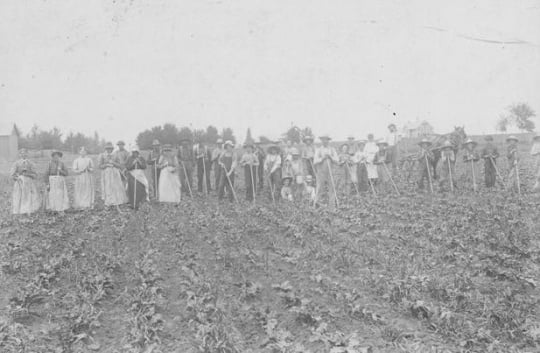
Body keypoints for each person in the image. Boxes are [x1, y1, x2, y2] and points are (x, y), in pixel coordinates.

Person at [11, 148, 41, 215]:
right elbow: (13, 174)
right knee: (19, 195)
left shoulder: (31, 163)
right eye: (21, 153)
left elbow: (35, 174)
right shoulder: (16, 163)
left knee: (28, 195)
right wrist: (17, 178)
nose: (23, 154)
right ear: (19, 154)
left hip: (29, 181)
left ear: (27, 154)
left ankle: (28, 210)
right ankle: (19, 210)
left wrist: (28, 174)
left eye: (25, 153)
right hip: (20, 182)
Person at [99, 142, 127, 209]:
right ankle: (108, 202)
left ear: (112, 149)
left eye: (110, 149)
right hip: (107, 173)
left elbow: (119, 165)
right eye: (108, 149)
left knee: (116, 186)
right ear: (106, 149)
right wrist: (106, 165)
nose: (109, 150)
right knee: (108, 187)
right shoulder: (102, 155)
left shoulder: (116, 155)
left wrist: (113, 163)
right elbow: (100, 166)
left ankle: (117, 201)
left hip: (115, 172)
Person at [313, 135, 339, 209]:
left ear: (328, 140)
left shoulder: (332, 149)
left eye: (326, 140)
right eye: (323, 140)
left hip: (331, 171)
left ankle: (332, 207)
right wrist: (322, 158)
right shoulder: (318, 150)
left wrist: (330, 157)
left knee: (332, 188)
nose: (325, 141)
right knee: (319, 188)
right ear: (321, 141)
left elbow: (337, 160)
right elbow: (315, 161)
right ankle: (316, 205)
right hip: (321, 172)